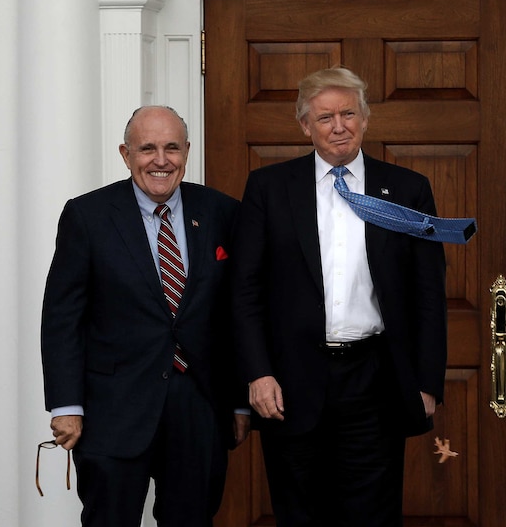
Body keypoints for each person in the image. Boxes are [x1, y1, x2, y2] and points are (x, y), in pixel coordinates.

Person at [230, 67, 448, 527]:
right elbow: (245, 290)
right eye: (325, 116)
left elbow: (428, 293)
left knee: (373, 514)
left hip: (376, 381)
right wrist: (258, 372)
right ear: (305, 126)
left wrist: (426, 382)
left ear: (365, 119)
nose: (339, 126)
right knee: (300, 513)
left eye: (348, 113)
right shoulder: (269, 188)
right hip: (290, 383)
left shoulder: (408, 190)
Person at [41, 105, 250, 527]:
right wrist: (66, 404)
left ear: (187, 152)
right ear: (125, 153)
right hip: (112, 409)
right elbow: (63, 317)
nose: (160, 160)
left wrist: (241, 402)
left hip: (199, 405)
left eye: (171, 147)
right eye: (147, 148)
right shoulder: (87, 216)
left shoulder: (222, 213)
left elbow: (239, 312)